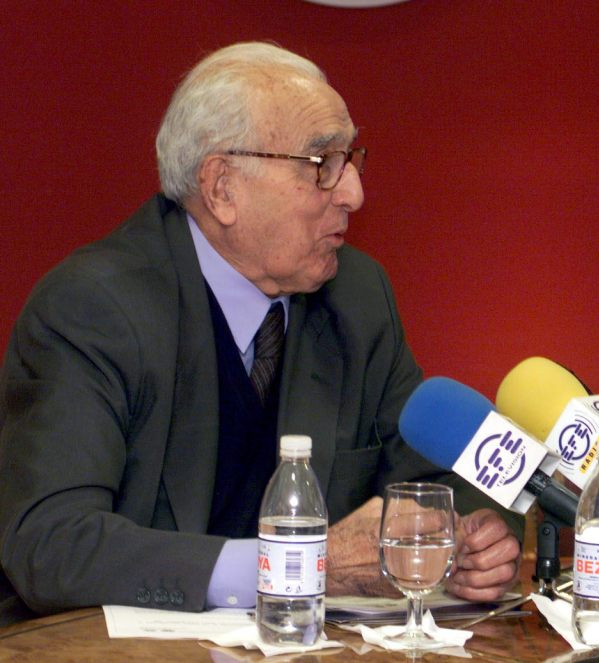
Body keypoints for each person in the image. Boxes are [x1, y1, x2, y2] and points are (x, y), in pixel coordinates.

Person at [0, 42, 520, 626]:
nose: (353, 193)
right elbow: (50, 544)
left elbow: (441, 477)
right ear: (223, 187)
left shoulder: (355, 295)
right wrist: (300, 565)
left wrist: (472, 541)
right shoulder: (95, 308)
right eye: (321, 163)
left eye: (351, 160)